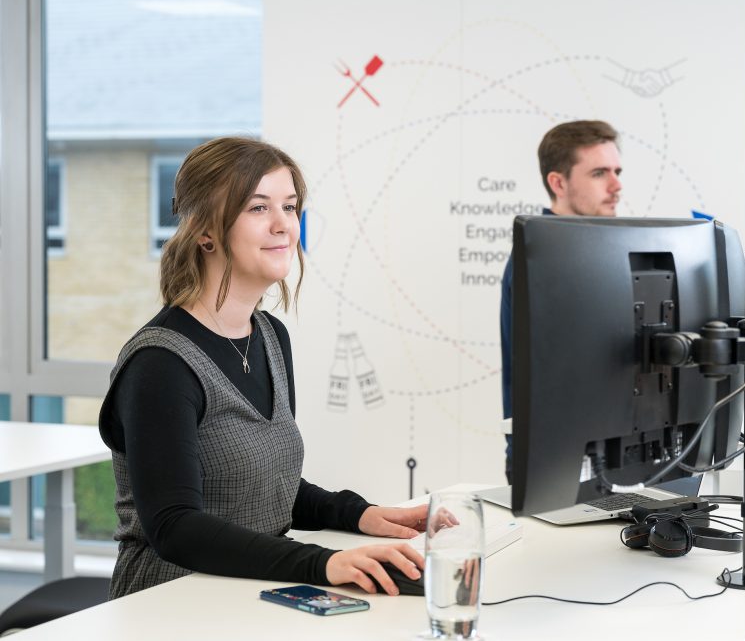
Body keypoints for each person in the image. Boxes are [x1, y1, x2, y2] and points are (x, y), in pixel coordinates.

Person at [97, 136, 427, 599]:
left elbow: (261, 488)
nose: (283, 226)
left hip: (250, 588)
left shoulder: (270, 337)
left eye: (289, 207)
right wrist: (324, 563)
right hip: (170, 599)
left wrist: (362, 515)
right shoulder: (159, 365)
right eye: (258, 208)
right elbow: (175, 528)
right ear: (205, 231)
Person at [499, 120, 622, 481]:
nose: (616, 185)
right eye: (600, 173)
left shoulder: (600, 252)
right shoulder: (540, 261)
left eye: (617, 171)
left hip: (606, 456)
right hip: (557, 463)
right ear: (558, 182)